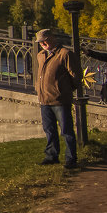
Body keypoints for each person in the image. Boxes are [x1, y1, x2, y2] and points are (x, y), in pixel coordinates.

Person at [34, 28, 81, 168]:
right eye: (40, 42)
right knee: (49, 130)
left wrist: (65, 90)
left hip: (60, 100)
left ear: (52, 38)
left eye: (45, 40)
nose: (43, 43)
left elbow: (76, 76)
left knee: (66, 130)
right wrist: (38, 88)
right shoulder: (40, 55)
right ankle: (51, 156)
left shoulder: (65, 54)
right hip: (44, 99)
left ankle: (71, 158)